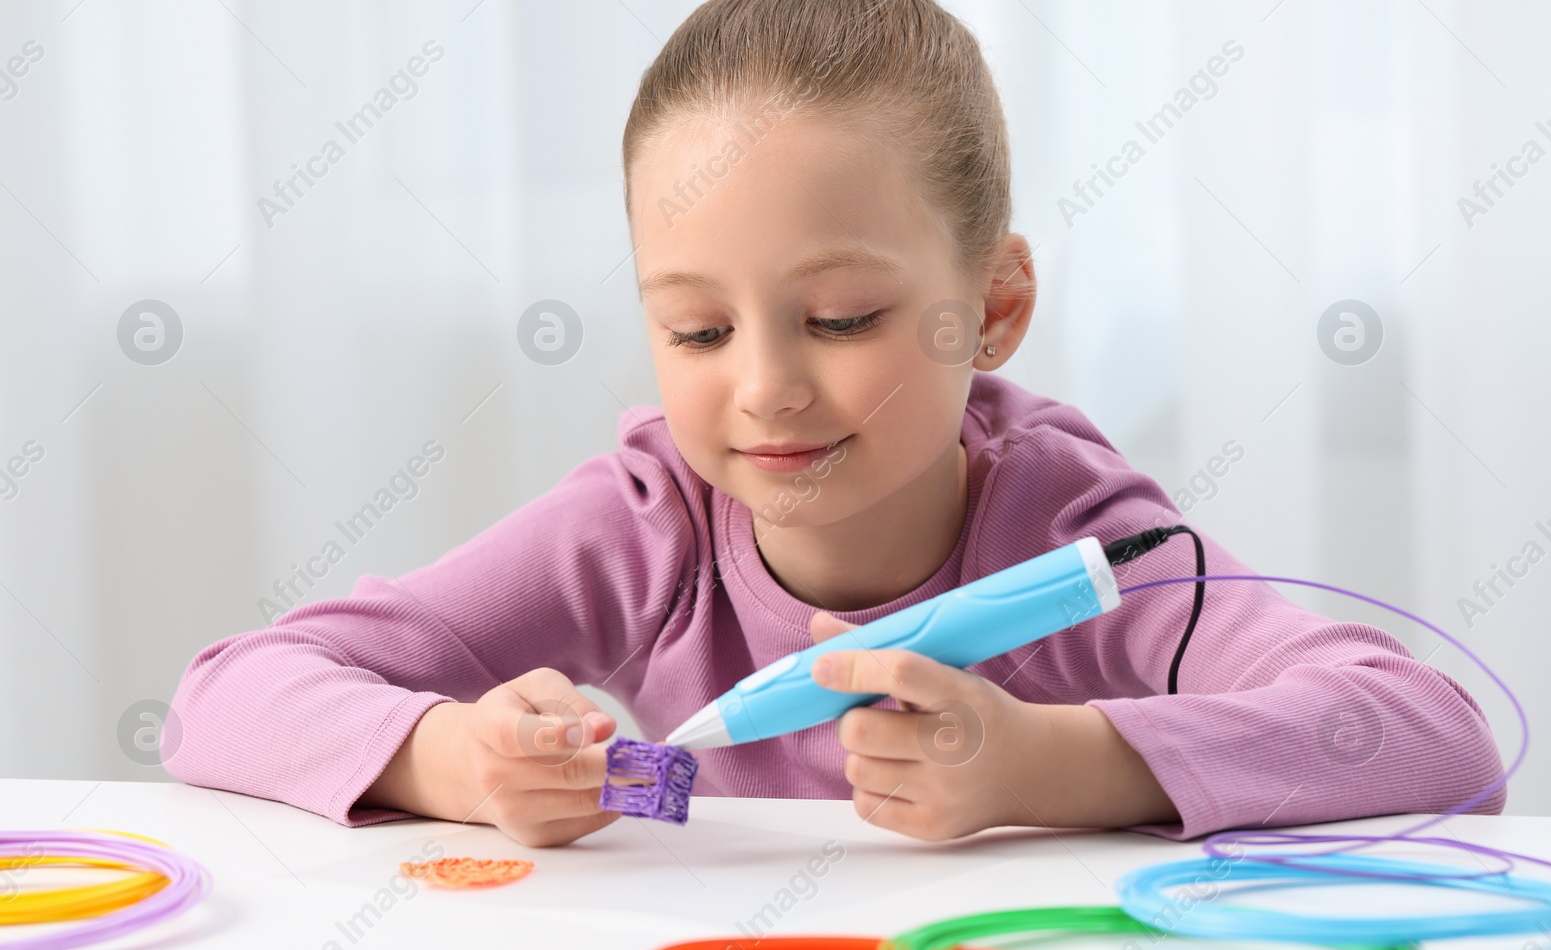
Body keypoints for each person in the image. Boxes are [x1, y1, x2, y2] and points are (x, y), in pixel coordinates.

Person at [165, 0, 1504, 847]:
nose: (763, 389)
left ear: (992, 307)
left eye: (845, 317)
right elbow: (224, 698)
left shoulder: (1088, 535)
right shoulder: (647, 520)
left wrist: (1055, 765)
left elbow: (1435, 733)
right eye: (696, 330)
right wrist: (453, 758)